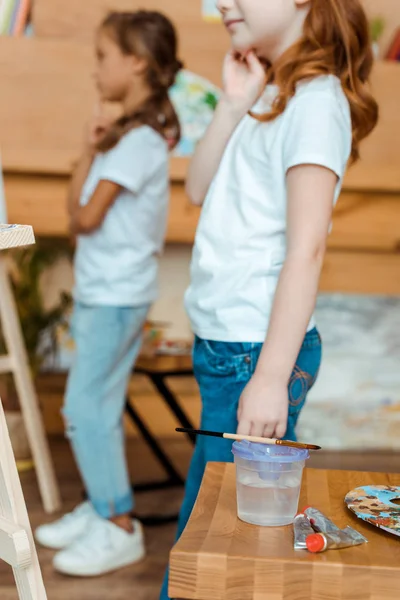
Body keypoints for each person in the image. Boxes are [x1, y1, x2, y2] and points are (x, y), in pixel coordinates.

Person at [160, 0, 378, 597]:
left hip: (253, 356)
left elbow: (306, 250)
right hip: (231, 349)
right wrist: (232, 102)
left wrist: (271, 376)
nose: (221, 2)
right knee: (212, 527)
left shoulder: (314, 103)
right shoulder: (271, 94)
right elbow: (199, 187)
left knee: (214, 539)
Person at [35, 10, 182, 577]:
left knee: (80, 407)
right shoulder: (124, 138)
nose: (95, 69)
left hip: (116, 296)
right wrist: (89, 149)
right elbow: (78, 209)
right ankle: (106, 508)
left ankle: (118, 526)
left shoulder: (142, 139)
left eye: (103, 56)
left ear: (137, 62)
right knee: (95, 405)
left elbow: (83, 219)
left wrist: (79, 207)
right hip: (111, 292)